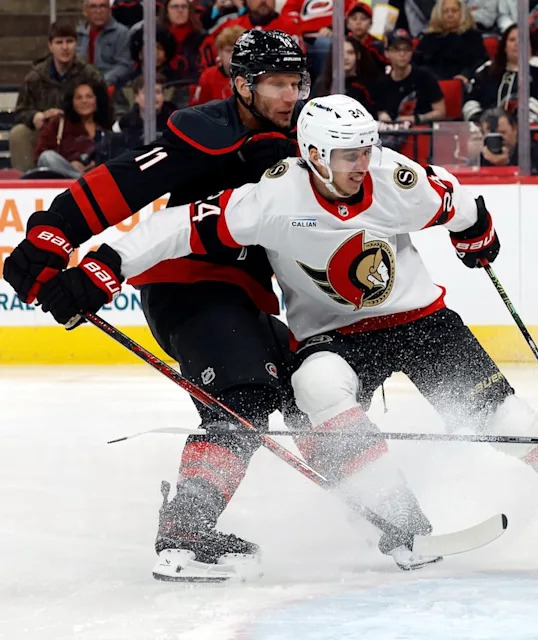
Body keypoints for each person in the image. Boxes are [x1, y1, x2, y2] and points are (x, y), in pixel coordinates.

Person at [37, 94, 538, 568]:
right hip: (334, 336)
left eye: (366, 149)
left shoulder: (394, 181)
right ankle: (398, 520)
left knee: (505, 423)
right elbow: (175, 227)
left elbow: (459, 202)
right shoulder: (272, 198)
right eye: (349, 154)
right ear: (314, 155)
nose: (364, 164)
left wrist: (477, 234)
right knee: (318, 387)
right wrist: (103, 266)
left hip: (422, 321)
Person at [2, 30, 310, 583]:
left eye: (297, 83)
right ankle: (187, 535)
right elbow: (123, 184)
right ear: (242, 84)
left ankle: (384, 506)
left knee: (311, 385)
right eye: (276, 84)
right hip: (186, 283)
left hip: (247, 296)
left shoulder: (305, 134)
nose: (290, 97)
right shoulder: (209, 131)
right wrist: (53, 234)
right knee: (240, 399)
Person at [10, 21, 103, 172]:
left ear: (76, 44)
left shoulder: (90, 75)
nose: (65, 47)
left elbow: (105, 110)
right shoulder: (35, 77)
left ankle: (77, 178)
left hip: (80, 134)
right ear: (50, 46)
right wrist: (37, 116)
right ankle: (27, 181)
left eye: (69, 41)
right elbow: (20, 112)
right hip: (46, 135)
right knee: (19, 133)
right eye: (59, 42)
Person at [462, 23, 538, 124]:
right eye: (512, 40)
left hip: (526, 129)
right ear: (504, 46)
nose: (517, 43)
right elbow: (470, 99)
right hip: (484, 127)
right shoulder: (486, 69)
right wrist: (479, 120)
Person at [34, 81, 113, 179]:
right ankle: (83, 180)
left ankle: (85, 180)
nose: (84, 101)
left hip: (97, 174)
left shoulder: (107, 127)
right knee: (46, 156)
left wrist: (96, 164)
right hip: (64, 177)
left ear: (97, 100)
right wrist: (69, 164)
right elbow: (40, 154)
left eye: (89, 96)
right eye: (79, 97)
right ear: (72, 101)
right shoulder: (58, 122)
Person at [372, 29, 446, 125]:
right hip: (392, 133)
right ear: (387, 53)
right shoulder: (382, 83)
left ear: (411, 52)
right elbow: (378, 110)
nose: (402, 54)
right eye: (397, 49)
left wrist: (416, 119)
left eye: (406, 49)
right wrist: (382, 115)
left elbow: (441, 112)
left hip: (422, 132)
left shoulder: (425, 76)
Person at [415, 0, 489, 84]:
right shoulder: (429, 37)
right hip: (432, 83)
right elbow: (419, 62)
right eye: (445, 11)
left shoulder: (472, 36)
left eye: (454, 11)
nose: (450, 15)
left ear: (462, 13)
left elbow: (480, 61)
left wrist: (466, 75)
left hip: (462, 83)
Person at [76, 0, 135, 87]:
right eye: (93, 7)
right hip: (80, 88)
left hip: (110, 87)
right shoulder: (77, 34)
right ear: (85, 11)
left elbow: (124, 66)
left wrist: (101, 82)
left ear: (109, 10)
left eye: (103, 6)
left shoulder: (122, 33)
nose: (99, 11)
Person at [113, 74, 177, 154]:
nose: (152, 97)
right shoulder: (122, 124)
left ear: (163, 96)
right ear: (136, 97)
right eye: (146, 92)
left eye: (157, 92)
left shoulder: (174, 123)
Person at [479, 107, 538, 174]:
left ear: (514, 129)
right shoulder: (478, 156)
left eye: (502, 133)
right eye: (492, 135)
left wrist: (505, 165)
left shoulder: (533, 151)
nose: (499, 139)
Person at [318, 36, 380, 113]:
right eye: (341, 53)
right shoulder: (322, 83)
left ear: (358, 55)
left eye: (350, 53)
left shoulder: (368, 85)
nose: (345, 57)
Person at [191, 25, 245, 105]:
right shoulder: (208, 77)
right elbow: (197, 110)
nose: (234, 56)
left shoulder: (256, 77)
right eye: (228, 51)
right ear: (219, 53)